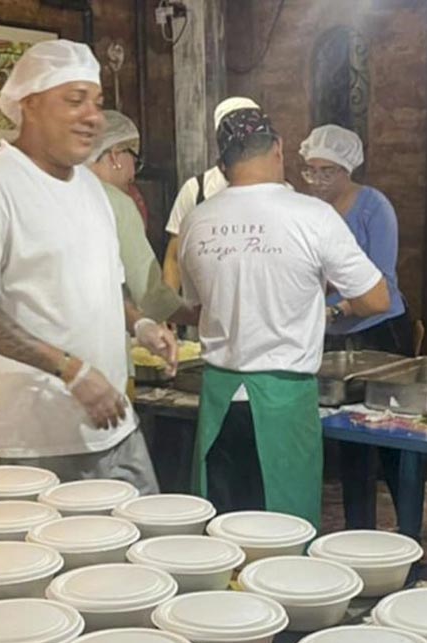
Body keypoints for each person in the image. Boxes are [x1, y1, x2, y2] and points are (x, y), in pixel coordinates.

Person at [0, 40, 178, 490]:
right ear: (29, 104)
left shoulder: (91, 189)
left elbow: (109, 287)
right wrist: (73, 370)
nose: (93, 116)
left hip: (115, 423)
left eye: (97, 102)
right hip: (38, 438)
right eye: (74, 100)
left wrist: (141, 324)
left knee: (137, 549)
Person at [180, 107, 390, 528]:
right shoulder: (312, 216)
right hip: (284, 399)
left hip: (220, 401)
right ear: (277, 149)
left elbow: (197, 303)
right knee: (284, 536)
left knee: (223, 534)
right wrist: (316, 294)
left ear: (223, 164)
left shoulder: (197, 220)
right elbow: (376, 299)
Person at [299, 123, 412, 528]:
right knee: (350, 442)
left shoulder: (373, 207)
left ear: (348, 169)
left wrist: (336, 308)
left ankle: (408, 531)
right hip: (331, 335)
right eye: (310, 171)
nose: (317, 180)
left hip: (380, 330)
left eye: (326, 171)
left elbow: (382, 280)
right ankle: (357, 534)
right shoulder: (309, 212)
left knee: (394, 437)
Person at [86, 110, 198, 326]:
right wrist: (199, 316)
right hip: (100, 340)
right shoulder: (116, 203)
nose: (133, 174)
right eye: (134, 160)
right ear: (115, 155)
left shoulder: (55, 193)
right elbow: (150, 295)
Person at [162, 96, 261, 291]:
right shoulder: (197, 189)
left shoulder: (278, 190)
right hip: (205, 309)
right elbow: (174, 259)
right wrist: (169, 310)